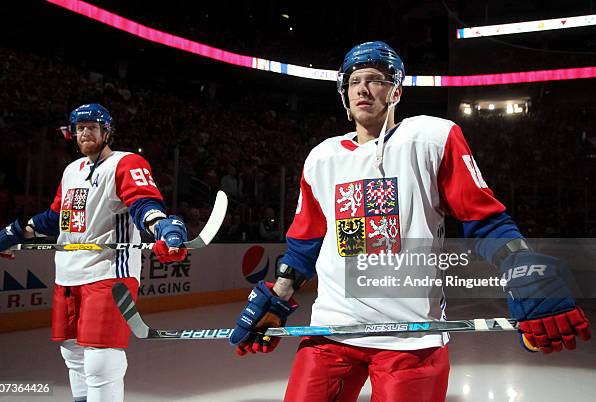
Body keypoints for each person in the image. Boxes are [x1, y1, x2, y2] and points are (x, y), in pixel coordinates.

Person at [229, 42, 592, 402]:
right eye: (354, 81)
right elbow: (304, 245)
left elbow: (484, 219)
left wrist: (521, 262)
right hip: (331, 331)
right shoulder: (321, 158)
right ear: (344, 94)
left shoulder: (434, 137)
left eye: (375, 80)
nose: (363, 89)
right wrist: (277, 297)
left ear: (396, 91)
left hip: (412, 338)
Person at [0, 104, 189, 402]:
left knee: (101, 361)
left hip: (109, 274)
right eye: (79, 128)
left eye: (92, 126)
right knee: (73, 354)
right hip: (68, 274)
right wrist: (14, 232)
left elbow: (143, 204)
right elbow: (56, 218)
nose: (85, 132)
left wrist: (163, 229)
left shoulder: (126, 163)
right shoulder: (72, 170)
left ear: (107, 131)